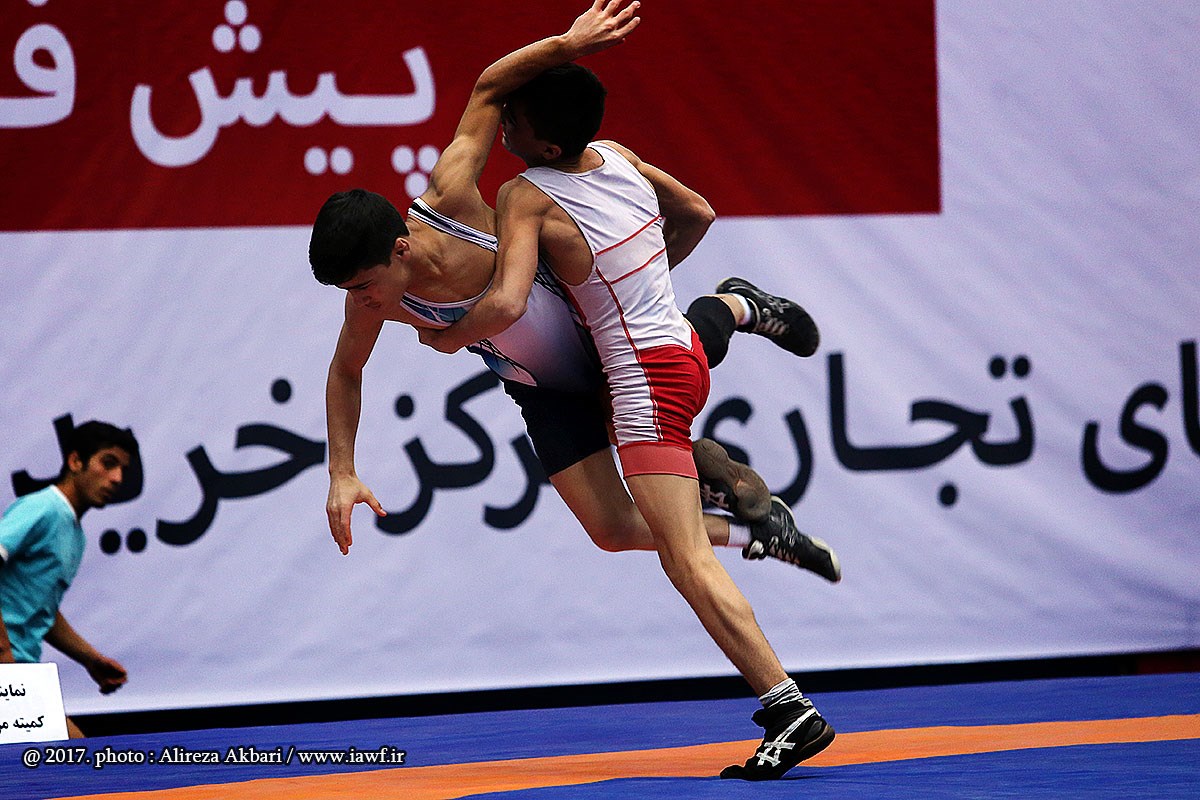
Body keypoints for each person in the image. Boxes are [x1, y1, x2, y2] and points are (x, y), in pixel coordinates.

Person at [419, 3, 835, 780]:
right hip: (678, 350)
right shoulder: (615, 154)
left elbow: (505, 304)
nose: (501, 127)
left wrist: (449, 336)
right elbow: (698, 212)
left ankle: (790, 709)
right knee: (634, 522)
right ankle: (736, 308)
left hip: (643, 388)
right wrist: (630, 286)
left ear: (545, 145)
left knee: (686, 561)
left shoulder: (525, 195)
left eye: (514, 123)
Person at [308, 1, 839, 582]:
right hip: (544, 393)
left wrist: (568, 44)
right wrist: (342, 471)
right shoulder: (372, 302)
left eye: (362, 285)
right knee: (612, 530)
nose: (359, 300)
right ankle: (761, 534)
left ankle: (738, 305)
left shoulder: (451, 197)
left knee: (688, 354)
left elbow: (489, 89)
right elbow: (345, 371)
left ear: (400, 249)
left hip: (604, 343)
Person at [0, 421, 136, 738]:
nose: (117, 478)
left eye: (122, 469)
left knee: (74, 760)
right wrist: (3, 651)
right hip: (8, 673)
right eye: (108, 463)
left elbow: (41, 610)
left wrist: (91, 660)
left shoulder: (75, 534)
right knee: (77, 760)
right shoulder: (44, 508)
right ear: (75, 462)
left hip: (19, 675)